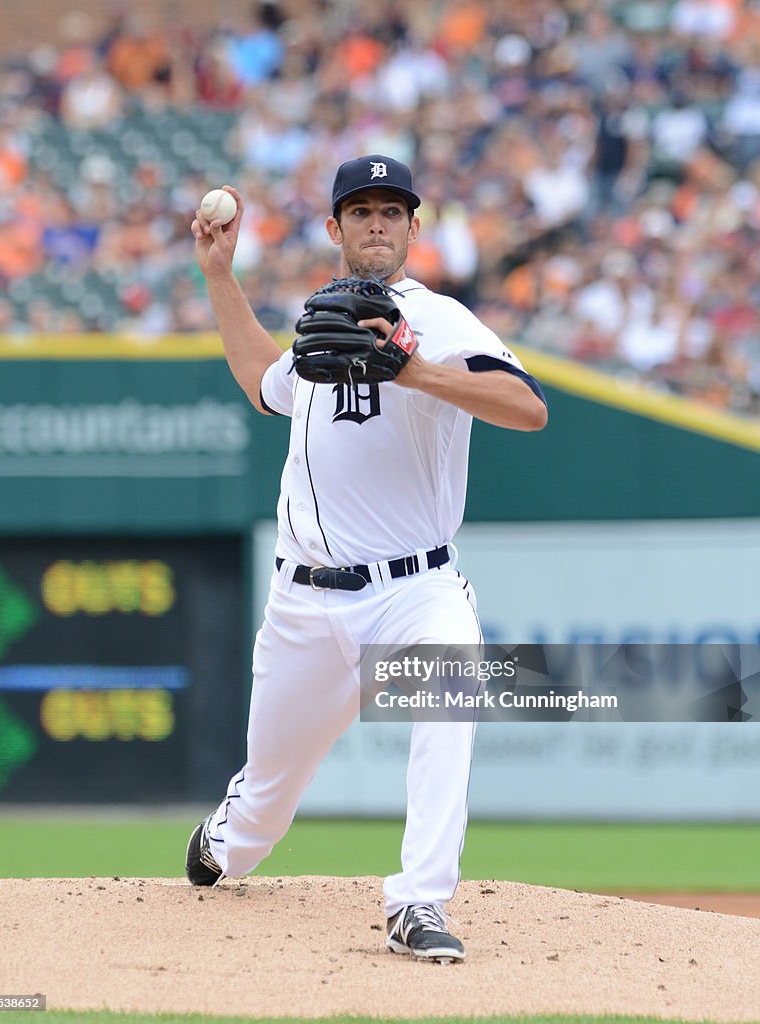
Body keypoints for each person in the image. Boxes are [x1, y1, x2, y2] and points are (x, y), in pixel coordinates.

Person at [185, 154, 548, 962]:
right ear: (335, 228)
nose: (377, 223)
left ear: (414, 228)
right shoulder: (321, 317)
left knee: (452, 688)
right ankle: (227, 833)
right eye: (361, 210)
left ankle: (417, 902)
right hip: (303, 603)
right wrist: (219, 276)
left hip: (414, 590)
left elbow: (527, 408)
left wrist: (417, 370)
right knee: (258, 818)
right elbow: (262, 385)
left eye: (392, 210)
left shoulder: (442, 319)